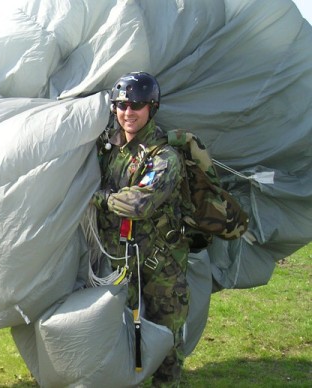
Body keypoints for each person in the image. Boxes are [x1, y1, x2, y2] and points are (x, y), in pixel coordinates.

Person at [91, 72, 190, 387]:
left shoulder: (164, 157)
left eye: (136, 105)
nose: (128, 112)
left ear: (152, 107)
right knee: (120, 331)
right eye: (121, 105)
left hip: (161, 264)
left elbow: (138, 204)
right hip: (122, 260)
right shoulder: (111, 150)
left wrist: (100, 199)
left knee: (165, 336)